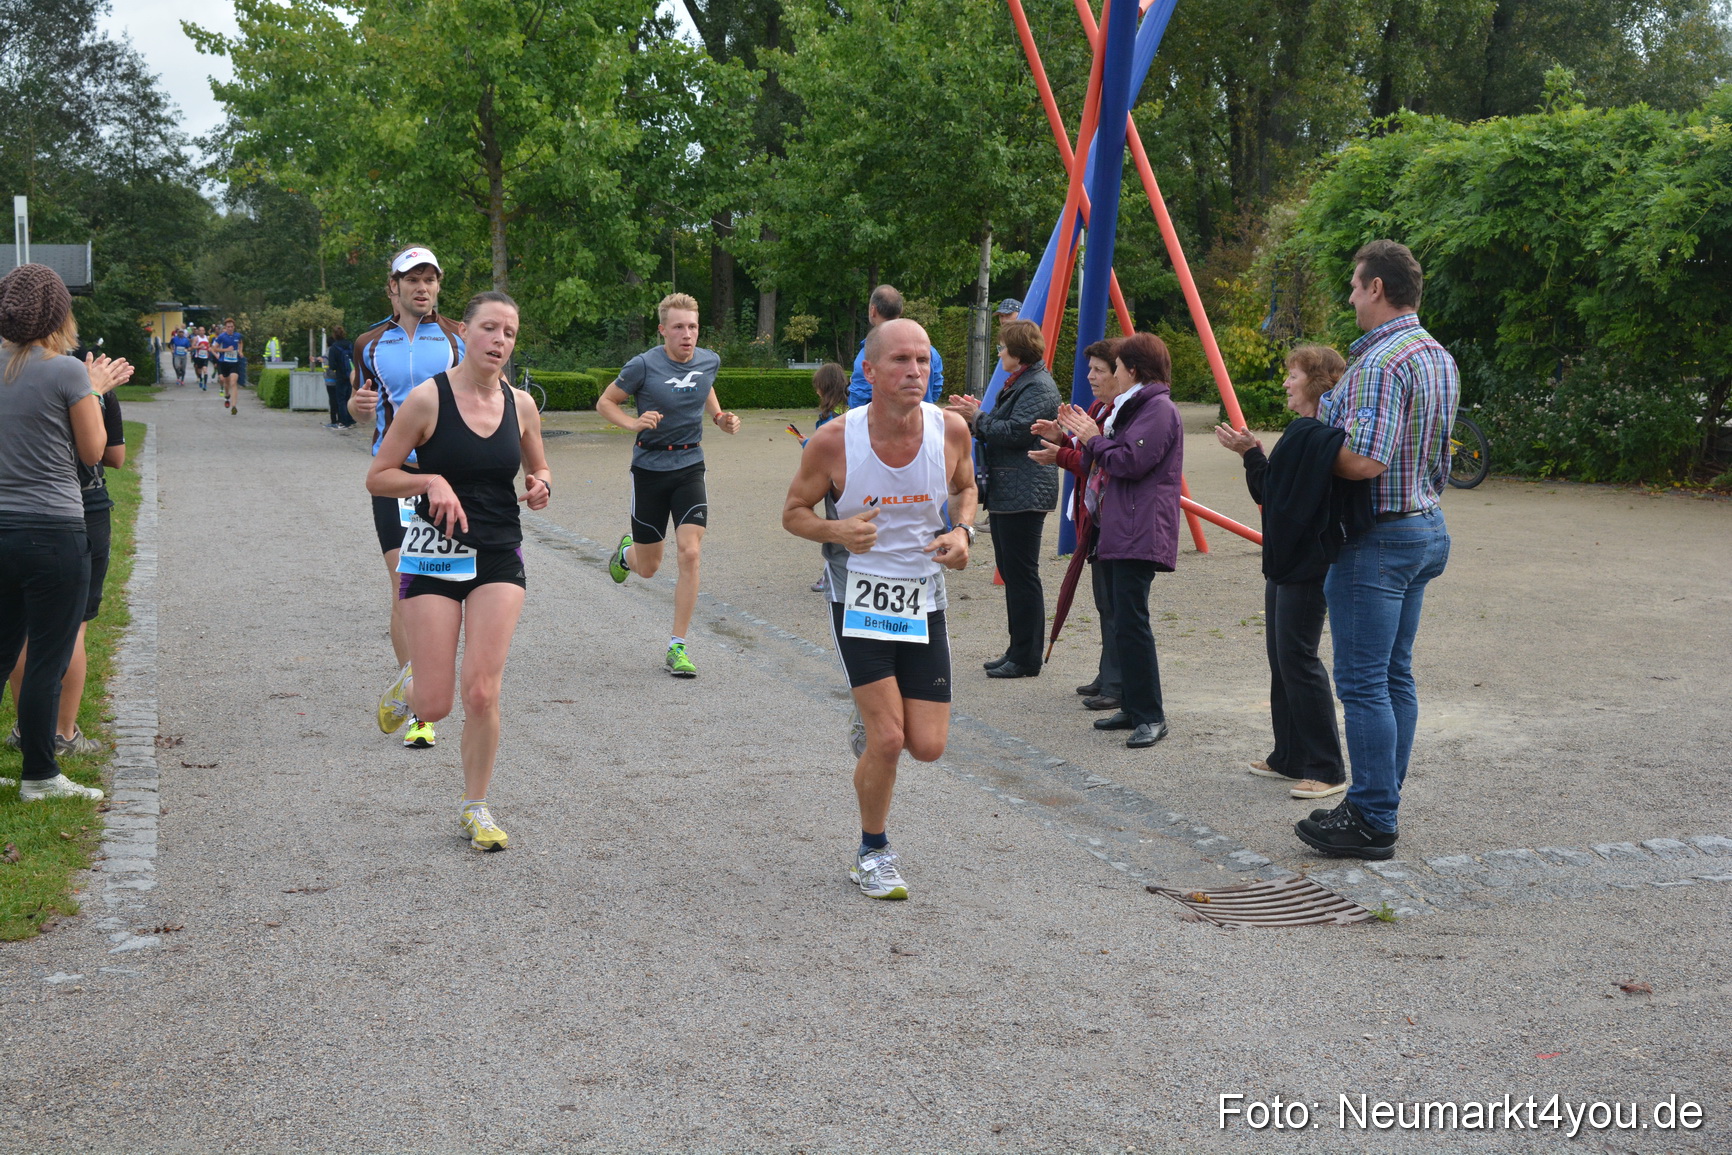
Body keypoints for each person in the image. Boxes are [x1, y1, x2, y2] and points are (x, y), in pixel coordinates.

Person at [782, 318, 977, 900]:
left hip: (923, 595)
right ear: (869, 371)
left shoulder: (953, 430)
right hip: (858, 595)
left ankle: (866, 725)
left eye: (923, 359)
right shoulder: (835, 440)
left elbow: (967, 488)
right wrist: (835, 529)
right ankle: (873, 852)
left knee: (928, 746)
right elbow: (793, 512)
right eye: (900, 360)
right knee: (889, 739)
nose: (915, 370)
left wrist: (964, 531)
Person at [367, 291, 550, 852]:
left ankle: (476, 806)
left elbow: (537, 461)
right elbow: (379, 475)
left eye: (510, 333)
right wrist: (430, 481)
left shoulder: (521, 405)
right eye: (489, 328)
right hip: (433, 551)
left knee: (481, 692)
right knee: (436, 704)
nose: (500, 341)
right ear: (463, 333)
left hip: (498, 551)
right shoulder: (426, 400)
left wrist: (542, 482)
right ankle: (412, 684)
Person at [1292, 240, 1456, 860]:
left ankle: (1371, 816)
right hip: (1424, 524)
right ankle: (1379, 795)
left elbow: (1363, 460)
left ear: (1378, 289)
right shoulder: (1437, 356)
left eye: (1356, 287)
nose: (1352, 298)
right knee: (1393, 677)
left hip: (1378, 538)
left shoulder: (1381, 362)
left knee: (1363, 684)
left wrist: (1302, 448)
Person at [0, 264, 132, 801]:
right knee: (48, 657)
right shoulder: (68, 372)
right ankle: (40, 775)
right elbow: (94, 452)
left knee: (3, 649)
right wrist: (95, 390)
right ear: (60, 313)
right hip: (51, 532)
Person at [1215, 345, 1366, 801]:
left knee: (1298, 657)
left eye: (1293, 375)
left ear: (1316, 382)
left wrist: (1253, 456)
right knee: (1282, 656)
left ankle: (1327, 766)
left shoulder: (1315, 432)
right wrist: (1251, 454)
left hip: (1306, 559)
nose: (1285, 382)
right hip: (1288, 559)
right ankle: (1289, 755)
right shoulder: (1304, 432)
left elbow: (1280, 494)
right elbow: (1273, 489)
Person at [350, 246, 465, 749]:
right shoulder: (369, 343)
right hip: (397, 476)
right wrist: (356, 407)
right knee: (405, 585)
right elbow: (363, 411)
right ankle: (419, 701)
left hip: (451, 481)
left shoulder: (460, 337)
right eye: (412, 279)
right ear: (392, 287)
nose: (423, 287)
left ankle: (420, 688)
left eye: (430, 279)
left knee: (441, 587)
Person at [599, 293, 741, 678]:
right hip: (649, 468)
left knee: (690, 553)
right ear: (662, 329)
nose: (687, 334)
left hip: (690, 465)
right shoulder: (643, 365)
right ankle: (626, 555)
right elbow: (606, 402)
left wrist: (719, 418)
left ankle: (677, 646)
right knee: (648, 568)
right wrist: (633, 423)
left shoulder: (709, 359)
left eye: (692, 327)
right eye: (678, 327)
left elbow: (704, 383)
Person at [1055, 333, 1183, 749]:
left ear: (1135, 370)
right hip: (1120, 524)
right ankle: (1132, 704)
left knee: (1132, 621)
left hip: (1138, 527)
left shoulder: (1157, 408)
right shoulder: (1134, 407)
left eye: (1119, 364)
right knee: (1123, 623)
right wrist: (1075, 441)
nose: (1113, 370)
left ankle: (1151, 715)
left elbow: (1130, 461)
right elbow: (1106, 455)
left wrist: (1092, 436)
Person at [6, 350, 126, 757]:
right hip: (73, 512)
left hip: (13, 513)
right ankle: (61, 732)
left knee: (18, 630)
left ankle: (26, 730)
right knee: (69, 629)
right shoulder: (81, 377)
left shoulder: (12, 373)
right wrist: (95, 394)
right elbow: (105, 454)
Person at [946, 318, 1059, 678]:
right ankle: (1017, 649)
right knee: (1013, 572)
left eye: (1003, 348)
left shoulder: (1038, 386)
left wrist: (976, 417)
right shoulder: (1023, 382)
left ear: (1017, 352)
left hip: (1025, 491)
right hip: (1013, 489)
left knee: (1023, 575)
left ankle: (1026, 657)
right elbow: (1006, 423)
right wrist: (977, 412)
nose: (999, 353)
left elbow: (1014, 433)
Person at [1030, 337, 1122, 710]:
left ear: (1122, 372)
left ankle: (1118, 681)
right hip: (1096, 517)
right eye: (1091, 369)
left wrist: (1063, 454)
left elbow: (1099, 460)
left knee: (1118, 606)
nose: (1092, 377)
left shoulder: (1122, 411)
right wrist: (1062, 439)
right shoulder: (1102, 406)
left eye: (1099, 370)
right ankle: (1109, 672)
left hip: (1113, 519)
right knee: (1105, 603)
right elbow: (1087, 454)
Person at [847, 285, 945, 407]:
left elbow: (858, 400)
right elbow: (936, 386)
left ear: (873, 310)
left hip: (881, 424)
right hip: (922, 421)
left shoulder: (869, 351)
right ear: (901, 310)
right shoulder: (926, 350)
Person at [808, 362, 850, 593]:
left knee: (833, 528)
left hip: (833, 480)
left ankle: (830, 575)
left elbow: (825, 450)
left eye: (818, 387)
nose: (816, 391)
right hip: (848, 477)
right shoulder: (848, 410)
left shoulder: (830, 417)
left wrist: (807, 444)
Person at [324, 325, 355, 429]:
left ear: (334, 335)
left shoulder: (334, 348)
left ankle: (343, 421)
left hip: (340, 376)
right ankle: (351, 419)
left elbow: (332, 366)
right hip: (351, 375)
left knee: (341, 400)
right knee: (349, 398)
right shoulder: (350, 344)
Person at [212, 318, 244, 414]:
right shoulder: (222, 336)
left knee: (233, 382)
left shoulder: (238, 335)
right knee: (226, 383)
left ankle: (234, 406)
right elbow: (214, 348)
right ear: (226, 327)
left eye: (231, 327)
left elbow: (241, 342)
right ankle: (227, 395)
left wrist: (240, 351)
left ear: (234, 327)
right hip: (224, 362)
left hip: (234, 362)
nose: (230, 328)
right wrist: (226, 350)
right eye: (228, 327)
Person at [191, 326, 212, 390]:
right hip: (198, 357)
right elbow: (193, 346)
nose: (201, 332)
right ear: (198, 331)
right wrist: (199, 346)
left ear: (204, 331)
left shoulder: (207, 337)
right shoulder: (196, 338)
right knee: (199, 371)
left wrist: (209, 348)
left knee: (205, 370)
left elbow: (209, 345)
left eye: (202, 330)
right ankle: (200, 379)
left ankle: (205, 385)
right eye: (200, 330)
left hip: (205, 356)